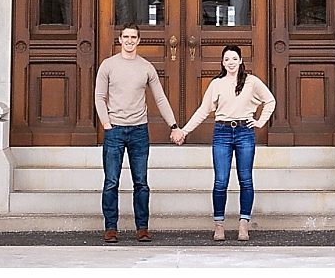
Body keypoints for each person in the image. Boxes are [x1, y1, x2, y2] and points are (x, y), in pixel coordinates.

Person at [171, 44, 275, 242]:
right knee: (221, 181)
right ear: (222, 62)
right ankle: (219, 225)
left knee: (245, 179)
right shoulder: (217, 84)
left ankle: (244, 224)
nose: (231, 63)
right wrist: (184, 131)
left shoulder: (251, 82)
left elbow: (270, 101)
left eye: (234, 59)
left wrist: (260, 121)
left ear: (241, 60)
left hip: (245, 132)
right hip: (222, 133)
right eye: (227, 59)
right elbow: (203, 110)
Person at [93, 24, 176, 243]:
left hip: (139, 130)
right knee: (111, 181)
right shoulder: (108, 65)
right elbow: (99, 97)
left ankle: (142, 228)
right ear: (120, 39)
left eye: (134, 37)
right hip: (115, 131)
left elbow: (160, 98)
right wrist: (107, 124)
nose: (130, 41)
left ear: (139, 41)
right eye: (126, 37)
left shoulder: (146, 67)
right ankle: (111, 228)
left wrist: (173, 125)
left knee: (141, 182)